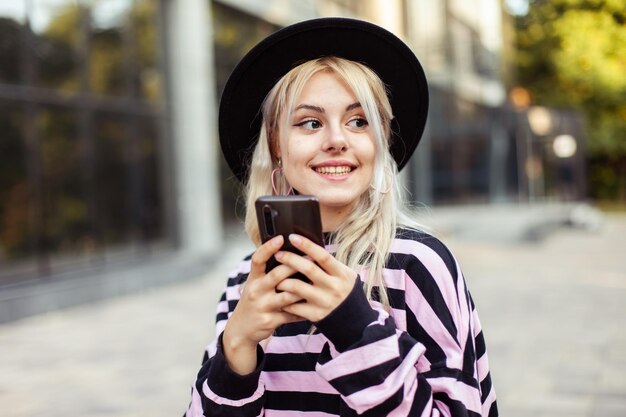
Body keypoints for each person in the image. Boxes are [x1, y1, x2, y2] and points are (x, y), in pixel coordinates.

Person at [185, 17, 498, 417]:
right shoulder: (246, 280)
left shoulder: (416, 265)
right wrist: (236, 350)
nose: (337, 140)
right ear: (277, 145)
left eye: (357, 121)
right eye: (310, 123)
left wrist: (353, 325)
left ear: (380, 139)